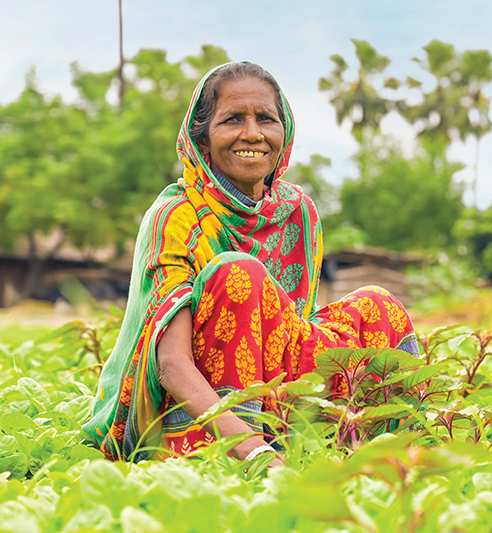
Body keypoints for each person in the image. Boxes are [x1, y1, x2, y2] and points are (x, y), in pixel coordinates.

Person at [83, 62, 419, 463]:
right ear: (202, 140)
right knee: (238, 273)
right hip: (190, 414)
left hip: (275, 400)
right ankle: (235, 451)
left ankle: (389, 446)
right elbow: (171, 363)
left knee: (378, 305)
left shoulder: (298, 212)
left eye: (265, 119)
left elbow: (288, 334)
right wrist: (255, 453)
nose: (253, 134)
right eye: (232, 120)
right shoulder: (176, 215)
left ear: (285, 133)